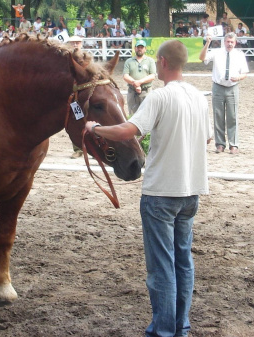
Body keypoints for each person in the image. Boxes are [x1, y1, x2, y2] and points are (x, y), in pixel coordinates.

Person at [84, 40, 210, 337]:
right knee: (183, 261)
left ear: (163, 63)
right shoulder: (198, 97)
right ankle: (181, 326)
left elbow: (128, 130)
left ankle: (163, 330)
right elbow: (205, 140)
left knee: (161, 267)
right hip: (191, 191)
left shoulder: (159, 98)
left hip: (161, 193)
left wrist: (95, 129)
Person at [200, 32, 249, 154]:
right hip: (218, 87)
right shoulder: (217, 52)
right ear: (224, 42)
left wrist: (238, 78)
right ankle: (220, 144)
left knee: (232, 116)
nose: (230, 44)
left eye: (232, 42)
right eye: (228, 42)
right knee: (218, 116)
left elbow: (245, 73)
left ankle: (234, 144)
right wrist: (207, 43)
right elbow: (202, 58)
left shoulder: (239, 55)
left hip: (232, 87)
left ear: (235, 42)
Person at [122, 40, 156, 114]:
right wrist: (135, 83)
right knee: (132, 114)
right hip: (132, 91)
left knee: (147, 114)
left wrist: (139, 82)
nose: (139, 49)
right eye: (138, 47)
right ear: (135, 48)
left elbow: (152, 76)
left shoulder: (150, 61)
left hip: (146, 91)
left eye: (141, 47)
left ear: (145, 49)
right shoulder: (128, 61)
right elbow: (125, 76)